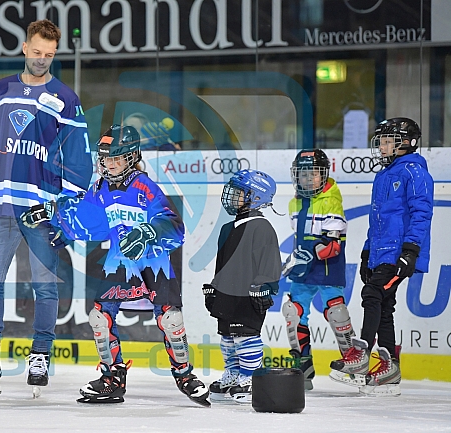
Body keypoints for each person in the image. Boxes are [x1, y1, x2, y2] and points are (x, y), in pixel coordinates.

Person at [21, 125, 210, 406]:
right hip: (121, 260)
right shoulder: (100, 188)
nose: (110, 164)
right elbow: (87, 218)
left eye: (116, 159)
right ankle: (112, 378)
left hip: (153, 260)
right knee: (100, 318)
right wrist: (54, 214)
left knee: (170, 319)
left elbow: (174, 225)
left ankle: (184, 375)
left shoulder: (145, 186)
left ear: (132, 157)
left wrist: (148, 233)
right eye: (106, 159)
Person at [0, 19, 93, 396]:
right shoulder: (0, 91)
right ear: (24, 48)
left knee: (44, 287)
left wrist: (65, 205)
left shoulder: (66, 99)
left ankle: (41, 355)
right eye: (36, 52)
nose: (41, 60)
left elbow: (80, 160)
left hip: (41, 210)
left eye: (48, 55)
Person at [330, 118, 433, 396]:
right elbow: (378, 220)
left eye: (390, 141)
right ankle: (390, 369)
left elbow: (422, 214)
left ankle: (361, 355)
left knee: (372, 294)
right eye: (383, 141)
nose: (384, 146)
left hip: (399, 253)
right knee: (384, 305)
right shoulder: (383, 174)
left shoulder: (414, 172)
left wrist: (411, 251)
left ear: (408, 143)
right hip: (380, 252)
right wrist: (367, 253)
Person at [203, 169, 281, 404]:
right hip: (228, 293)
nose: (232, 196)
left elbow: (270, 264)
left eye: (239, 192)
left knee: (245, 337)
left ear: (256, 197)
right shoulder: (227, 228)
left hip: (249, 295)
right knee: (227, 338)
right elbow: (222, 264)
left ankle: (249, 378)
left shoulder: (262, 227)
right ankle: (234, 374)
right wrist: (215, 287)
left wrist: (266, 287)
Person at [281, 149, 354, 391]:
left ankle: (353, 359)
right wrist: (295, 260)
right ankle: (303, 366)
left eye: (313, 174)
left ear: (323, 175)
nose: (308, 179)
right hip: (303, 270)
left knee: (336, 312)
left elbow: (332, 247)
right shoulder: (295, 202)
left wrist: (309, 254)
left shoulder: (331, 200)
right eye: (303, 174)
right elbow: (299, 238)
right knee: (293, 313)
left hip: (326, 268)